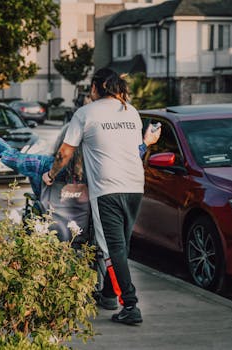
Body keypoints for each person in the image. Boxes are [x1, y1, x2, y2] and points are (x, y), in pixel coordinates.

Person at [42, 68, 154, 325]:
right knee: (121, 246)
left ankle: (130, 305)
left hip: (107, 189)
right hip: (135, 185)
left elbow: (64, 153)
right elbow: (135, 150)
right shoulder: (131, 112)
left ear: (97, 87)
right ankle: (108, 296)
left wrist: (51, 174)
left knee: (112, 249)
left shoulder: (85, 113)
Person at [0, 109, 160, 246]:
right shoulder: (99, 168)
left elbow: (12, 156)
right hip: (85, 232)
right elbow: (126, 162)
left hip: (50, 230)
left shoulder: (44, 165)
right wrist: (145, 143)